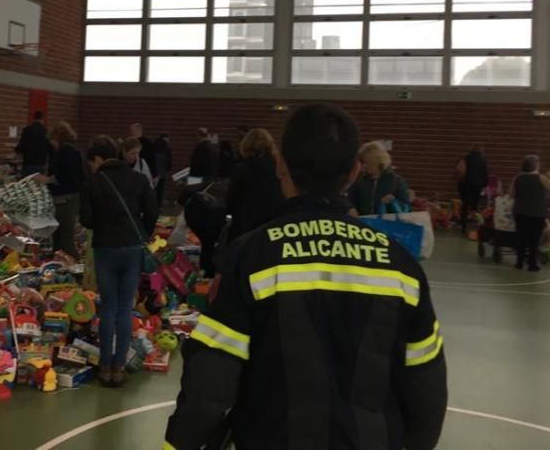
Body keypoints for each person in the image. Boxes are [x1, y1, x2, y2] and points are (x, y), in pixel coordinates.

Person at [164, 104, 448, 450]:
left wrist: (178, 445)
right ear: (355, 171)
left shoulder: (251, 257)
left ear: (281, 164)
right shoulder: (402, 266)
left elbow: (210, 385)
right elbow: (427, 389)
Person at [80, 136, 159, 387]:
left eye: (92, 162)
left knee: (109, 309)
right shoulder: (138, 179)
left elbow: (87, 220)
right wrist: (142, 233)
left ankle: (105, 366)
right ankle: (119, 367)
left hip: (105, 249)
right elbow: (153, 210)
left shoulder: (93, 181)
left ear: (99, 159)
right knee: (125, 308)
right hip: (132, 249)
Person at [225, 128, 283, 243]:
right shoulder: (279, 169)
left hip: (245, 228)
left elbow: (231, 200)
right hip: (273, 228)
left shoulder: (241, 170)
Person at [510, 155, 550, 272]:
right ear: (536, 165)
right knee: (534, 240)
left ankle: (519, 263)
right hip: (537, 213)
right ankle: (532, 264)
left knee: (521, 238)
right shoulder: (541, 178)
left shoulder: (518, 177)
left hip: (520, 212)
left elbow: (511, 194)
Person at [46, 121, 84, 259]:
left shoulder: (66, 151)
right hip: (68, 198)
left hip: (66, 199)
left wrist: (48, 180)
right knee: (61, 236)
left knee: (64, 239)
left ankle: (73, 266)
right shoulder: (72, 149)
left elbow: (66, 175)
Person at [348, 141, 411, 217]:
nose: (364, 166)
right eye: (362, 163)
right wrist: (351, 208)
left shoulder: (396, 181)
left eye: (366, 162)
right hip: (363, 223)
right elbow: (350, 201)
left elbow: (407, 208)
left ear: (375, 161)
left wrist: (393, 201)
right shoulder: (360, 180)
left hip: (386, 225)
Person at [456, 145, 489, 233]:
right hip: (477, 186)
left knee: (465, 205)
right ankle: (474, 226)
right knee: (474, 206)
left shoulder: (466, 158)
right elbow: (485, 174)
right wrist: (484, 184)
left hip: (466, 186)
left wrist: (460, 183)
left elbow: (459, 170)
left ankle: (463, 225)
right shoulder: (483, 160)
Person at [16, 111, 50, 177]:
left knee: (28, 185)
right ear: (42, 119)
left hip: (29, 164)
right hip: (41, 164)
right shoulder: (45, 132)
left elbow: (21, 147)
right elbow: (48, 148)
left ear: (33, 118)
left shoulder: (27, 130)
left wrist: (16, 150)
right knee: (39, 186)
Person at [152, 133, 173, 207]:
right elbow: (168, 165)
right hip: (162, 173)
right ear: (165, 138)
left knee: (152, 189)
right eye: (168, 139)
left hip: (153, 173)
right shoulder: (167, 149)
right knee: (160, 191)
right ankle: (158, 206)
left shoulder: (153, 146)